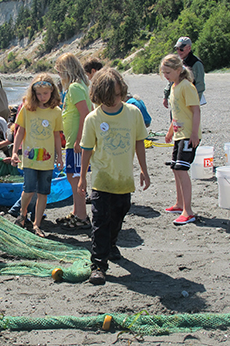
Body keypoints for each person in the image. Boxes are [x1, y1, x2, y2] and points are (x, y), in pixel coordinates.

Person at [78, 68, 150, 285]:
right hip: (101, 180)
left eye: (119, 95)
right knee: (100, 221)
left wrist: (144, 170)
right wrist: (82, 177)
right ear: (99, 95)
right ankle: (99, 265)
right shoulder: (93, 119)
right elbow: (87, 149)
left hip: (124, 179)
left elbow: (139, 141)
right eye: (110, 97)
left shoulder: (133, 113)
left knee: (119, 214)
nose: (115, 100)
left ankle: (110, 244)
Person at [11, 74, 63, 237]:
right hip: (29, 159)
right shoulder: (27, 108)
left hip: (47, 161)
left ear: (52, 92)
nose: (42, 97)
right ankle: (23, 214)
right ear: (33, 94)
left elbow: (56, 136)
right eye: (39, 94)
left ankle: (37, 224)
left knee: (43, 193)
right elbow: (20, 131)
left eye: (45, 93)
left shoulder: (56, 111)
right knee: (28, 190)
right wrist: (14, 151)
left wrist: (59, 157)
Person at [160, 54, 201, 225]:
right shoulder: (174, 87)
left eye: (168, 72)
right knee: (176, 169)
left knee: (182, 170)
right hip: (178, 135)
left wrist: (194, 134)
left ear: (178, 70)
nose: (166, 76)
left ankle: (188, 211)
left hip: (188, 136)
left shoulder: (186, 86)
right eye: (163, 72)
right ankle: (179, 203)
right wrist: (170, 131)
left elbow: (196, 111)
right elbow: (176, 113)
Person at [55, 53, 93, 228]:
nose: (60, 75)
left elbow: (85, 114)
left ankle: (82, 216)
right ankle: (76, 212)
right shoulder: (81, 86)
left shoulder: (75, 87)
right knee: (72, 176)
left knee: (76, 178)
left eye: (61, 71)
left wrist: (79, 139)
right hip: (73, 141)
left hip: (76, 143)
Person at [163, 37, 206, 107]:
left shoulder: (196, 63)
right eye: (177, 49)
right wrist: (166, 95)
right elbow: (171, 80)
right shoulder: (176, 61)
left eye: (181, 49)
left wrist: (194, 102)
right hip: (176, 98)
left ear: (189, 48)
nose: (179, 51)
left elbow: (200, 85)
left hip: (188, 101)